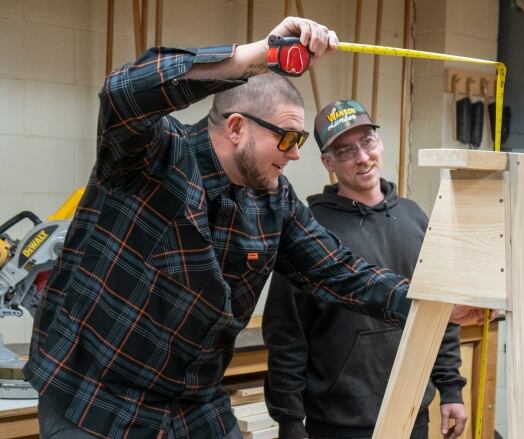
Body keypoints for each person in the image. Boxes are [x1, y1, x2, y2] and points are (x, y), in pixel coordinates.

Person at [22, 17, 484, 439]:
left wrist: (438, 304)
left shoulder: (273, 201)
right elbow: (124, 90)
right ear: (238, 127)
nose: (296, 153)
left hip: (190, 402)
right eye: (288, 137)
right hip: (93, 395)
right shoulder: (150, 157)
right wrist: (259, 53)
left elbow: (341, 273)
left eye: (300, 140)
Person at [263, 100, 468, 439]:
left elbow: (440, 311)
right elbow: (286, 332)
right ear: (327, 162)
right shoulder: (310, 229)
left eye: (367, 142)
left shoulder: (415, 218)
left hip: (412, 413)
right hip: (338, 423)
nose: (361, 157)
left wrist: (450, 388)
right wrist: (289, 421)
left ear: (380, 142)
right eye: (344, 151)